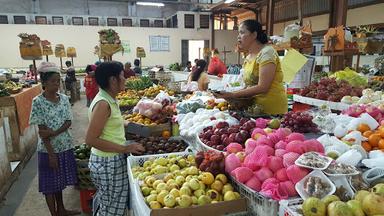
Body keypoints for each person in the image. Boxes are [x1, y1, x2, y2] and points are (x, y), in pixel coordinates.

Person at [85, 61, 145, 216]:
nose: (125, 79)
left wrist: (132, 125)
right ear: (113, 80)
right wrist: (126, 148)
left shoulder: (109, 98)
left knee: (110, 203)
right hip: (107, 163)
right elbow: (91, 139)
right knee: (111, 209)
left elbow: (111, 122)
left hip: (110, 160)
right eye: (122, 76)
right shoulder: (103, 104)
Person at [29, 62, 79, 216]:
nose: (56, 84)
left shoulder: (64, 99)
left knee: (59, 182)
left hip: (64, 146)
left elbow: (68, 121)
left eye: (58, 81)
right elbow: (42, 132)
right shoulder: (38, 102)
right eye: (53, 81)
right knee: (49, 185)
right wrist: (51, 155)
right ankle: (54, 214)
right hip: (48, 150)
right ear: (43, 83)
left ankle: (62, 209)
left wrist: (53, 132)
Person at [214, 19, 288, 115]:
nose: (238, 36)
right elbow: (248, 85)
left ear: (254, 35)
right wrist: (229, 95)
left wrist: (233, 95)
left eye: (242, 32)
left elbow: (263, 87)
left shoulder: (267, 53)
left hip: (271, 110)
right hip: (254, 109)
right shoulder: (248, 57)